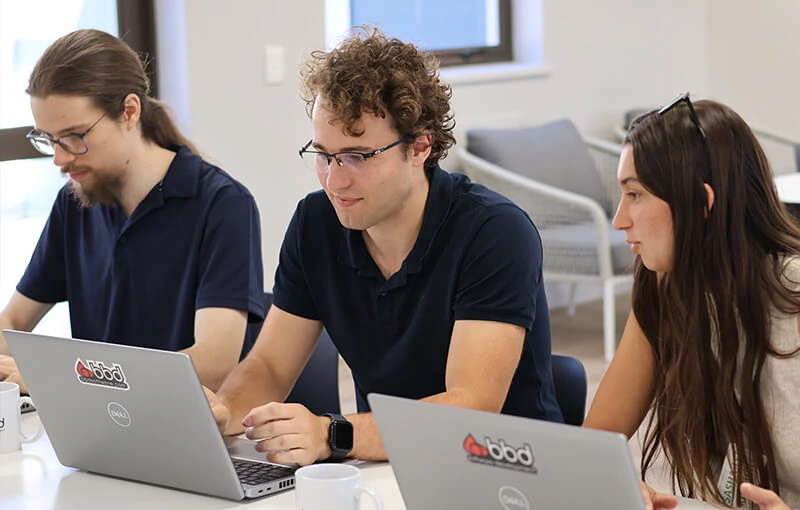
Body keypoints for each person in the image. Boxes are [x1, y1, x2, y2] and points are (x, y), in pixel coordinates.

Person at [205, 28, 563, 466]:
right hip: (387, 464)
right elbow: (270, 367)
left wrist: (333, 433)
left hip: (504, 471)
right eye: (323, 154)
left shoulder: (495, 233)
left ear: (419, 147)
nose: (335, 181)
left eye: (357, 156)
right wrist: (223, 411)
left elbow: (470, 408)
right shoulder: (316, 224)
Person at [0, 29, 265, 392]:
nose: (60, 159)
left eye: (75, 136)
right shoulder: (75, 201)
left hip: (188, 430)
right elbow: (14, 319)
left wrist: (65, 378)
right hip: (100, 423)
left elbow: (214, 361)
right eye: (48, 139)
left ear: (129, 111)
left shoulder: (223, 205)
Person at [583, 94, 800, 509]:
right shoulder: (665, 288)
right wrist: (623, 484)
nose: (618, 220)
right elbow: (596, 442)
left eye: (636, 195)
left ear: (701, 204)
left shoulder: (792, 295)